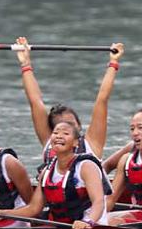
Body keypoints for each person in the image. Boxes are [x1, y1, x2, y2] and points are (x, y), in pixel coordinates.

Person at [17, 36, 122, 168]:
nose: (63, 132)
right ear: (52, 132)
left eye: (70, 126)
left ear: (79, 127)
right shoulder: (49, 141)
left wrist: (113, 63)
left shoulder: (92, 143)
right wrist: (25, 63)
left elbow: (102, 99)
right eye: (59, 128)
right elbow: (35, 101)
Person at [0, 121, 111, 229]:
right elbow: (34, 208)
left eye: (65, 133)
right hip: (62, 227)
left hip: (91, 226)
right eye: (55, 133)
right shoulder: (46, 172)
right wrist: (3, 213)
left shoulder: (86, 167)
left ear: (76, 142)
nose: (59, 136)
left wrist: (88, 222)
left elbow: (98, 201)